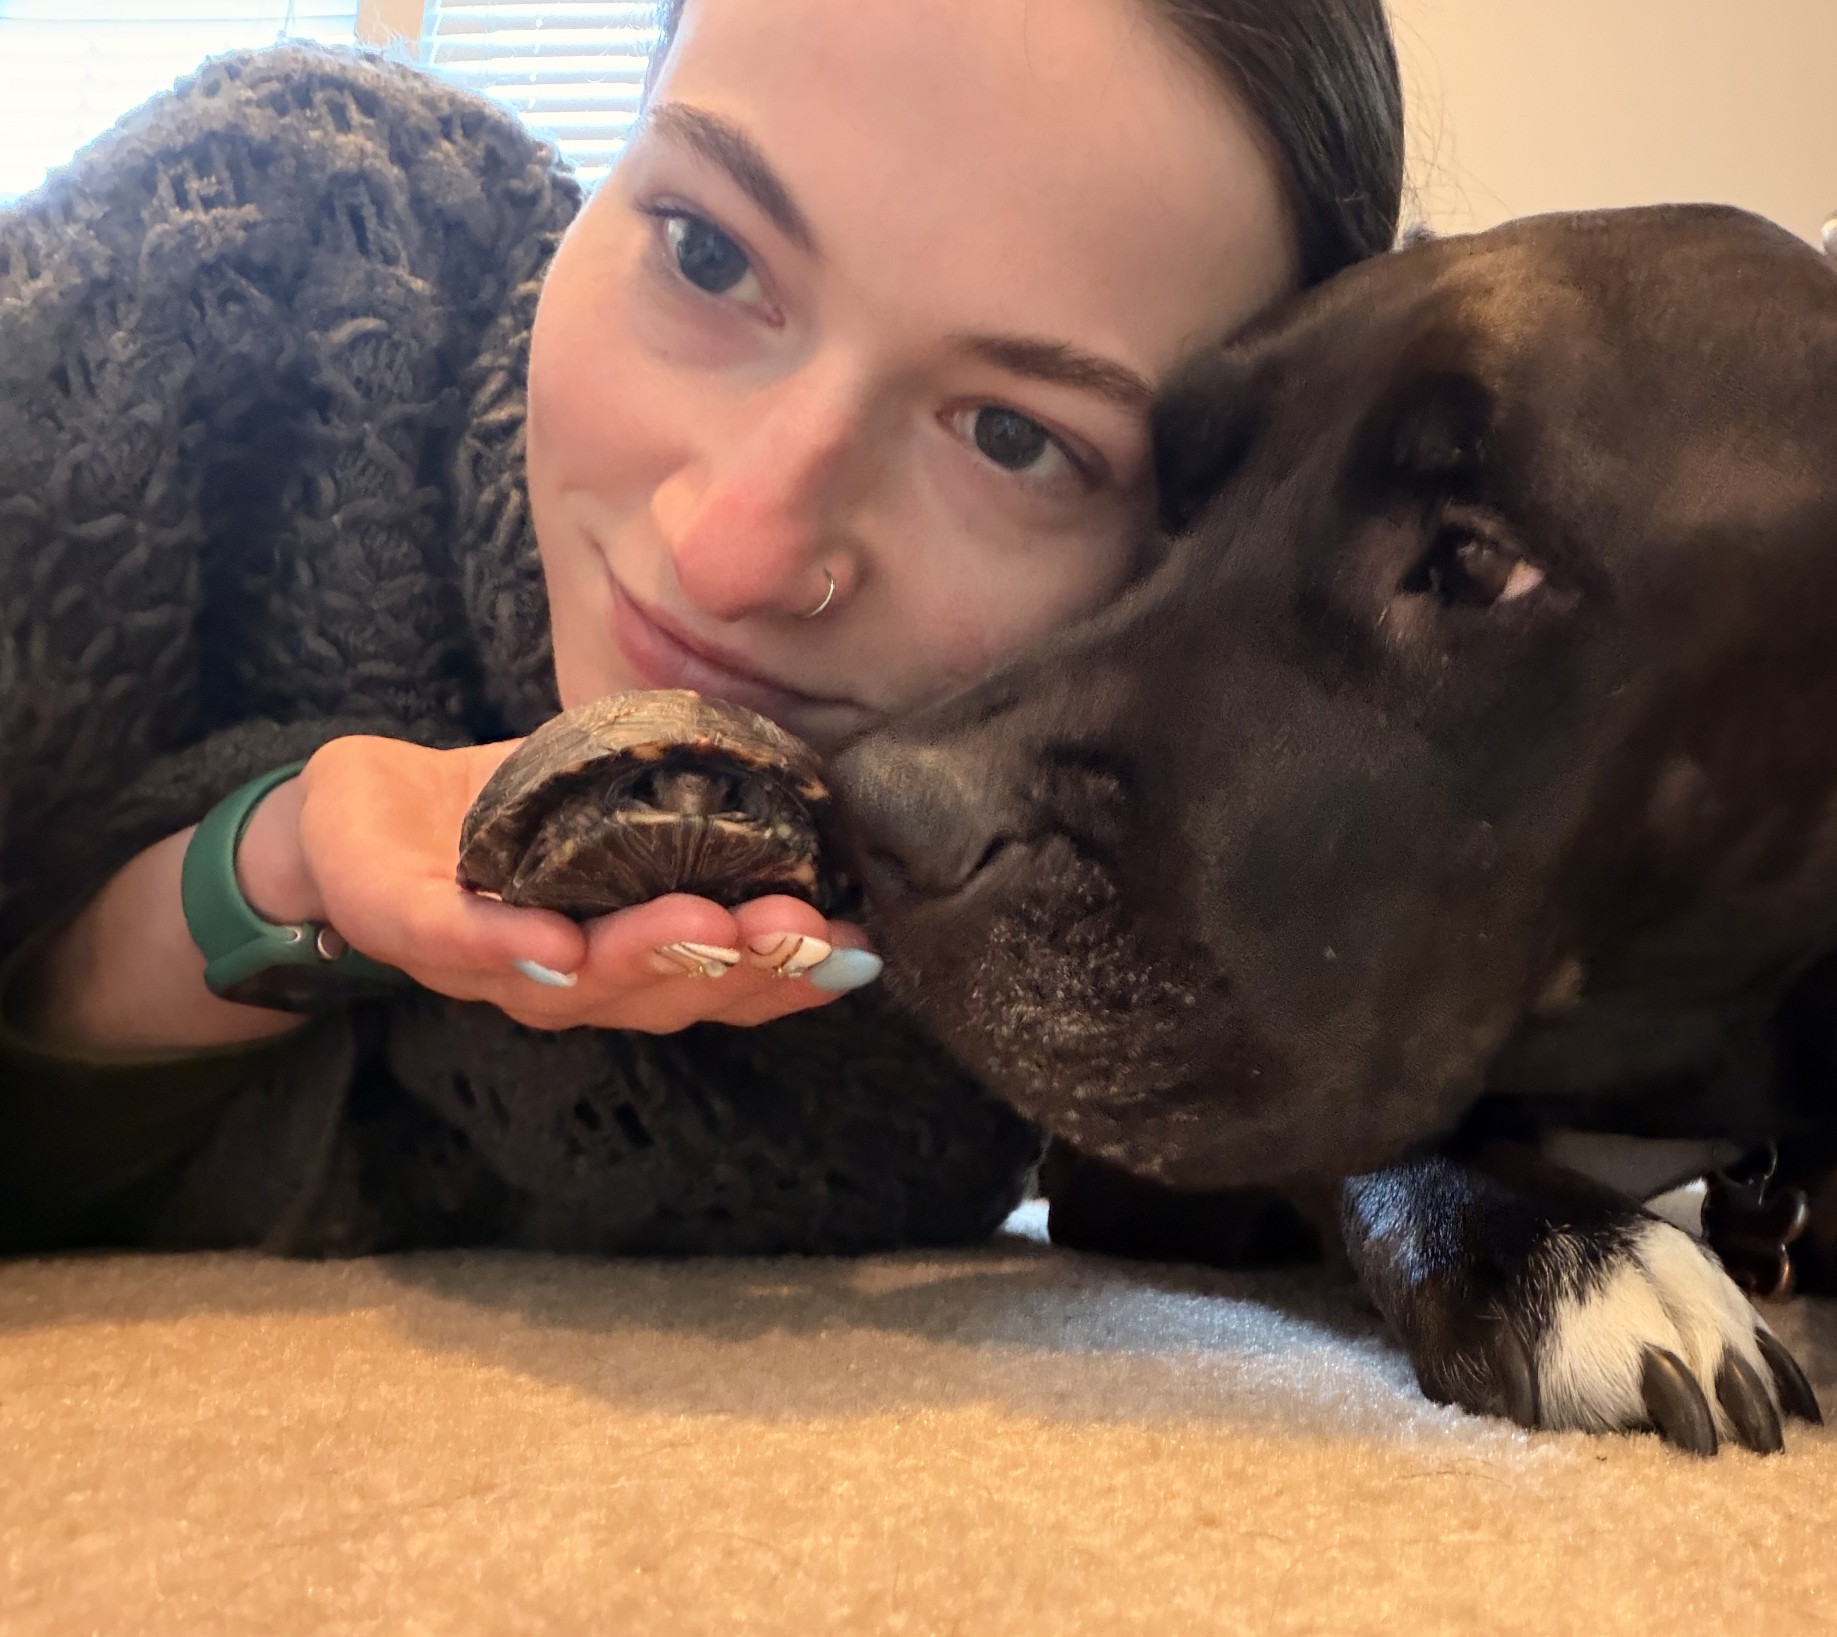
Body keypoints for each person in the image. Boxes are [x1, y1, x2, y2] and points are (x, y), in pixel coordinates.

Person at [0, 0, 1403, 1253]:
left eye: (1009, 438)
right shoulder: (249, 256)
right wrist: (262, 873)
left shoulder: (1052, 965)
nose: (731, 554)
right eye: (708, 253)